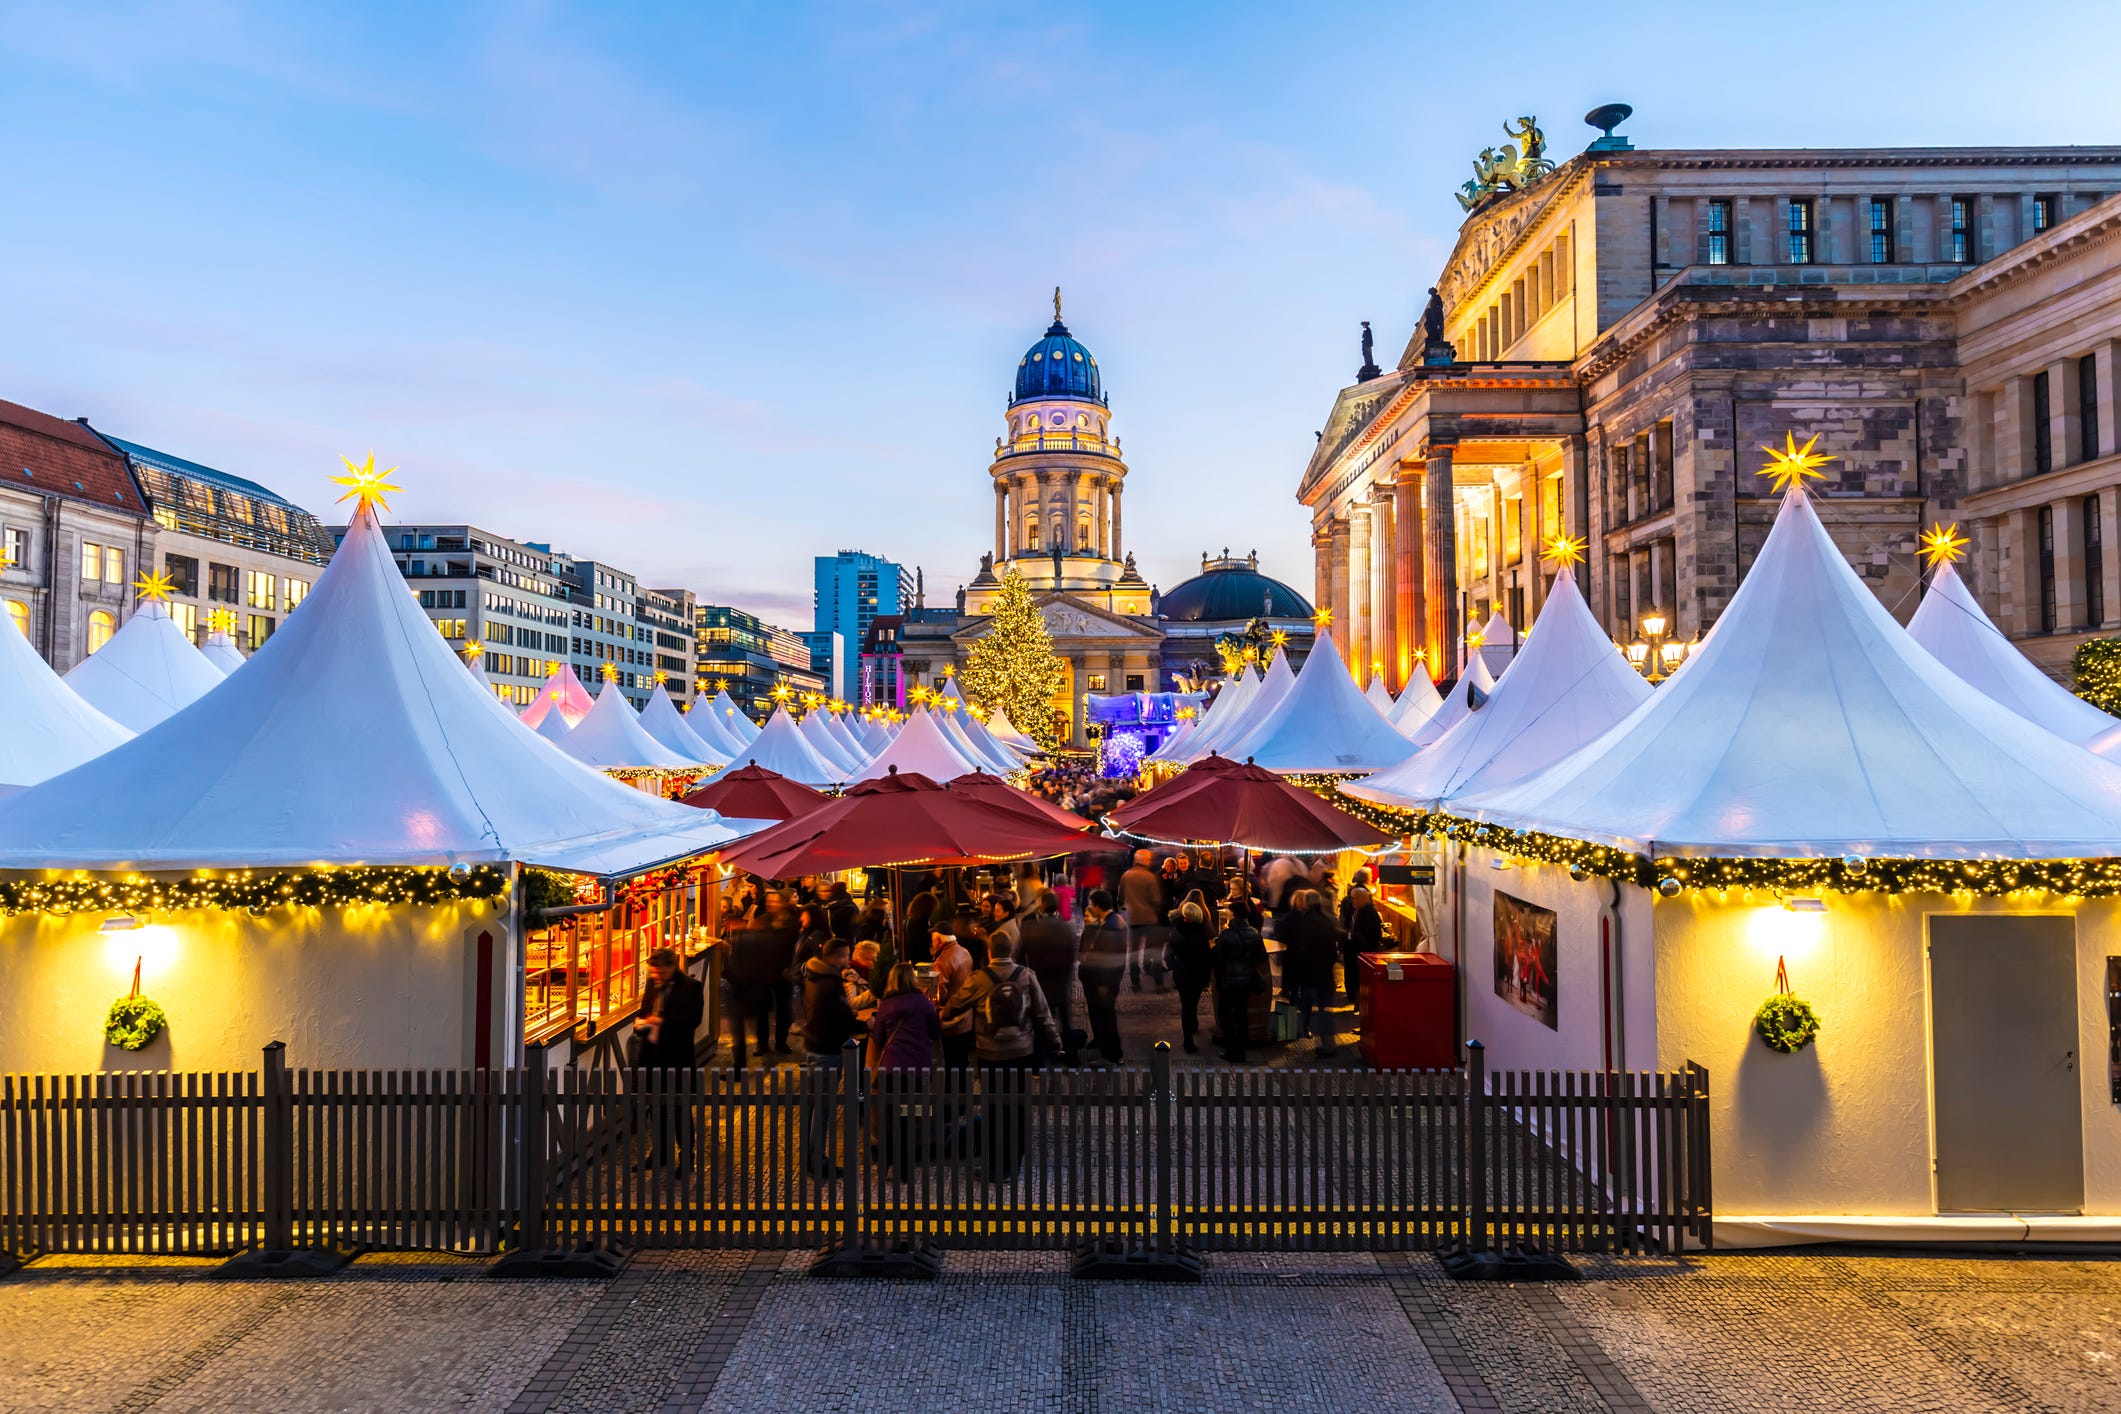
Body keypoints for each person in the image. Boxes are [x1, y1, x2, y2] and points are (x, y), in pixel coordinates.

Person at [940, 934, 1063, 1179]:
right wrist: (1055, 1043)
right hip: (1021, 1052)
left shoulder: (979, 979)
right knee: (1018, 1106)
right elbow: (1043, 1014)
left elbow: (954, 1007)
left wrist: (946, 1012)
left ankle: (996, 1166)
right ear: (1012, 951)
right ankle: (1014, 1163)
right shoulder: (1027, 976)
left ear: (989, 952)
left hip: (990, 1053)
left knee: (994, 1108)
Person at [799, 936, 866, 1180]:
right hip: (826, 1051)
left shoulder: (814, 974)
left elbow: (828, 1011)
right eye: (846, 955)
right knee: (822, 1108)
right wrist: (863, 1023)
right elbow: (841, 1018)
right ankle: (818, 1162)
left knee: (812, 1105)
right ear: (835, 957)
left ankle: (809, 1157)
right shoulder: (830, 983)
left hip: (812, 1044)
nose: (848, 960)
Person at [635, 948, 704, 1175]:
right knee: (656, 1108)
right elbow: (645, 1009)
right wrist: (643, 1022)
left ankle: (687, 1157)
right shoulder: (653, 983)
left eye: (661, 972)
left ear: (672, 967)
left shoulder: (691, 987)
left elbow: (692, 1020)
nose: (657, 976)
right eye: (654, 972)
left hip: (677, 1057)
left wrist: (659, 1021)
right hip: (653, 1056)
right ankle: (660, 1154)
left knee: (681, 1110)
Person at [869, 963, 940, 1177]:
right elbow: (935, 1032)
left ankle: (887, 1164)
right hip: (917, 1071)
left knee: (890, 1117)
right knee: (911, 1115)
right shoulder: (924, 1002)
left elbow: (880, 1038)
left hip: (890, 1070)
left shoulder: (887, 1005)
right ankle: (906, 1167)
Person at [724, 909, 794, 1070]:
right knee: (758, 1023)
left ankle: (740, 1065)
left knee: (739, 1032)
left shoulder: (743, 938)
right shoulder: (771, 942)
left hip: (741, 991)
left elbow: (734, 965)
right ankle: (765, 1053)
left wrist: (731, 977)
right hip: (761, 991)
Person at [1018, 893, 1081, 1065]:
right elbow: (1072, 954)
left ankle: (1039, 1062)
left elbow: (1020, 954)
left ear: (1042, 905)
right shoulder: (1065, 927)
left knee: (1040, 1021)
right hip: (1061, 982)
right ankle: (1072, 1058)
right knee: (1066, 1022)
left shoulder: (1032, 928)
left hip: (1040, 981)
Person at [1278, 889, 1340, 1054]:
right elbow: (1333, 951)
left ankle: (1299, 1034)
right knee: (1324, 1010)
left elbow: (1300, 950)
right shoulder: (1327, 921)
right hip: (1325, 973)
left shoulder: (1306, 923)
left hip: (1307, 973)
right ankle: (1328, 1044)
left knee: (1305, 1007)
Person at [1210, 910, 1268, 1064]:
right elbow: (1262, 956)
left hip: (1228, 982)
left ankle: (1230, 1049)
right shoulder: (1255, 933)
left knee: (1225, 1015)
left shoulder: (1225, 935)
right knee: (1241, 1015)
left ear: (1234, 917)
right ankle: (1241, 1051)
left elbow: (1217, 959)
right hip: (1246, 980)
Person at [1078, 890, 1129, 1063]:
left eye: (1092, 904)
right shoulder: (1114, 921)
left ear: (1098, 906)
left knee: (1107, 1017)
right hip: (1107, 979)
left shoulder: (1110, 926)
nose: (1091, 908)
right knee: (1105, 1015)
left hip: (1106, 980)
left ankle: (1113, 1055)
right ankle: (1106, 1047)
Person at [1163, 894, 1215, 1054]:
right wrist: (1208, 977)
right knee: (1192, 1003)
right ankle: (1190, 1031)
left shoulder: (1177, 932)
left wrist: (1175, 966)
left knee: (1187, 1004)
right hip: (1198, 975)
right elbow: (1207, 959)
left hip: (1182, 975)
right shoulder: (1201, 935)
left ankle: (1190, 1031)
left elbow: (1167, 956)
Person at [1119, 849, 1167, 991]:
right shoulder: (1149, 877)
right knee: (1154, 951)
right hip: (1150, 919)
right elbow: (1156, 900)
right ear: (1145, 860)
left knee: (1133, 952)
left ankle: (1135, 983)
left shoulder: (1126, 876)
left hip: (1133, 919)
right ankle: (1159, 984)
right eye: (1149, 859)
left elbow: (1120, 897)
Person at [929, 927, 975, 1074]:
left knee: (951, 1066)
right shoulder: (965, 952)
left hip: (951, 1020)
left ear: (938, 940)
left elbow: (939, 993)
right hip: (967, 1016)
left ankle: (953, 1096)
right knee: (962, 1063)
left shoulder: (942, 961)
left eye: (932, 939)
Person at [1344, 885, 1384, 1023]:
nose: (1352, 901)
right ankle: (1359, 1006)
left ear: (1362, 899)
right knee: (1357, 981)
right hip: (1356, 952)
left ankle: (1364, 1017)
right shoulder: (1357, 910)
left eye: (1355, 898)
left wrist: (1354, 940)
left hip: (1365, 954)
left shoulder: (1369, 913)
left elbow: (1373, 937)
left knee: (1364, 984)